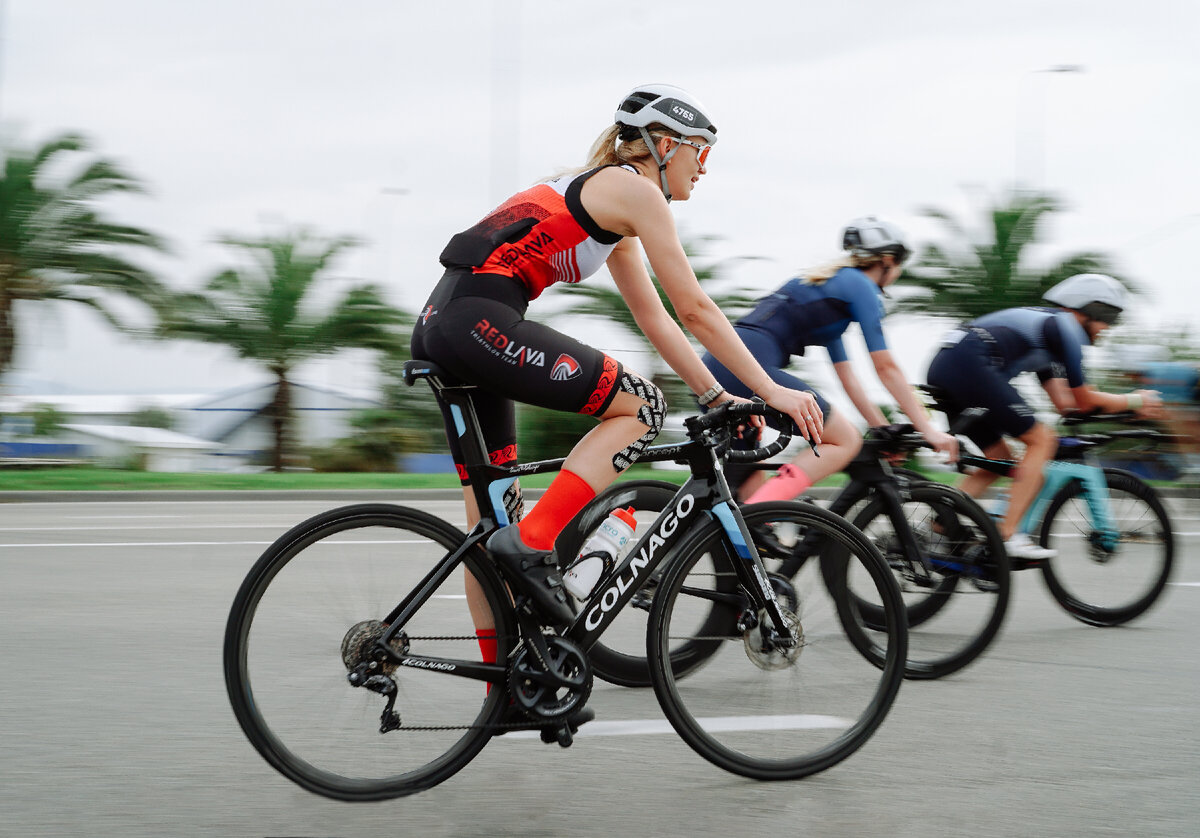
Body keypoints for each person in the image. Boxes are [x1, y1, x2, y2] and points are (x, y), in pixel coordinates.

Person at [410, 85, 822, 673]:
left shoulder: (609, 197)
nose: (703, 169)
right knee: (643, 408)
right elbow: (695, 308)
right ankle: (536, 542)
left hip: (445, 325)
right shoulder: (635, 190)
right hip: (477, 322)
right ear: (664, 145)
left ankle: (502, 689)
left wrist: (716, 394)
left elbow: (653, 315)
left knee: (488, 528)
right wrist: (771, 390)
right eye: (700, 153)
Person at [700, 216, 959, 504]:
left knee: (747, 484)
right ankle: (766, 512)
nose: (897, 272)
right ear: (887, 261)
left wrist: (880, 427)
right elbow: (886, 368)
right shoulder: (861, 286)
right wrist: (929, 430)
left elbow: (848, 379)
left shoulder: (832, 296)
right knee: (845, 440)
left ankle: (755, 528)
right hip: (746, 369)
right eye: (898, 265)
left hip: (716, 365)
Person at [925, 273, 1163, 560]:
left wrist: (1124, 411)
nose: (1108, 328)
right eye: (1108, 318)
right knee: (1042, 440)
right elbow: (1084, 398)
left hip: (949, 363)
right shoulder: (1065, 327)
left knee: (998, 461)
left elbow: (1067, 406)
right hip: (969, 362)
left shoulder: (1048, 334)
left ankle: (937, 531)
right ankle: (1007, 536)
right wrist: (1135, 400)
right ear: (1090, 309)